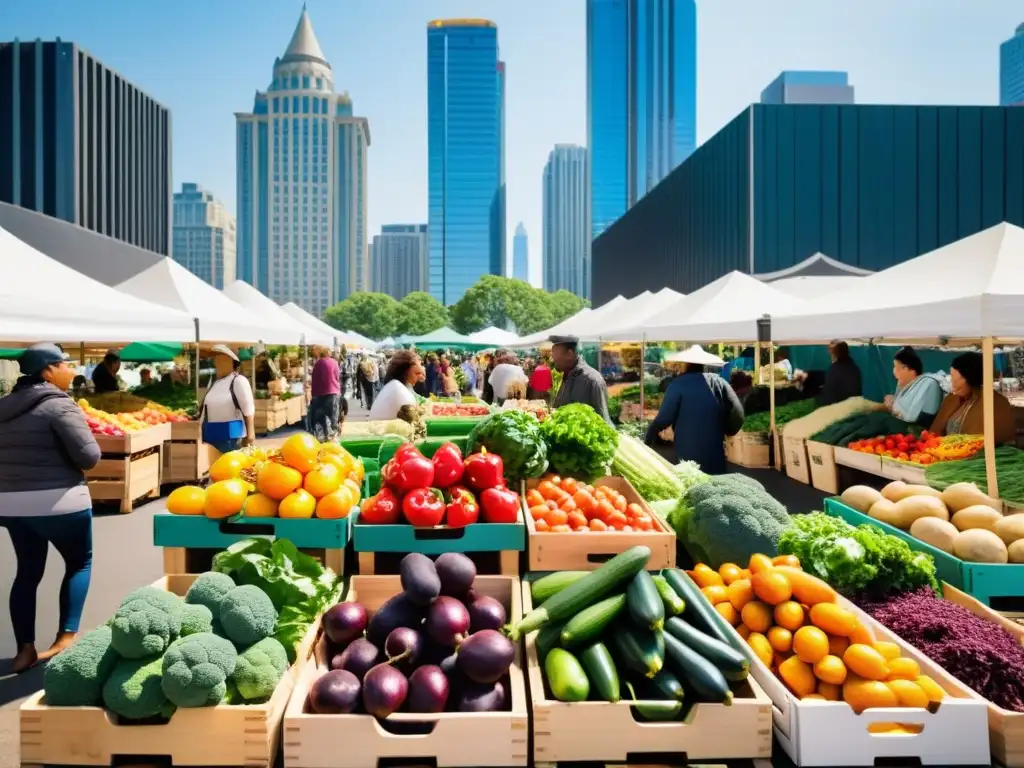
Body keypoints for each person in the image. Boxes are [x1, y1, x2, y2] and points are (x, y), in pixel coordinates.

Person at [0, 343, 100, 672]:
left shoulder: (3, 407)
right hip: (61, 502)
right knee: (79, 562)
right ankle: (64, 640)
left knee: (27, 571)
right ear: (48, 371)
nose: (70, 370)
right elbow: (90, 457)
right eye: (65, 364)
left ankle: (24, 650)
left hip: (12, 505)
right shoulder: (60, 406)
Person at [645, 346, 744, 474]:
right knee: (716, 484)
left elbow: (664, 418)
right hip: (714, 447)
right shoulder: (719, 382)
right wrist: (729, 430)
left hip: (687, 448)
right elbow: (738, 413)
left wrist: (648, 438)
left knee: (692, 480)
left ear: (686, 365)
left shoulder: (677, 385)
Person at [930, 352, 1016, 444]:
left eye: (955, 378)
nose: (952, 383)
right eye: (951, 377)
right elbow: (934, 433)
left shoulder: (995, 402)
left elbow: (997, 439)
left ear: (970, 378)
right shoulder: (951, 399)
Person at [199, 345, 256, 454]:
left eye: (220, 358)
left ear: (230, 361)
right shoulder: (214, 383)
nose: (216, 362)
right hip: (211, 437)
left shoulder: (238, 380)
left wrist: (250, 435)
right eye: (216, 358)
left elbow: (248, 409)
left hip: (232, 438)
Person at [549, 335, 613, 424]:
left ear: (569, 354)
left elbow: (603, 420)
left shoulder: (592, 380)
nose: (552, 359)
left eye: (555, 355)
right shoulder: (566, 375)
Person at [885, 347, 946, 426]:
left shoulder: (930, 384)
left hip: (916, 430)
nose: (894, 370)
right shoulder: (905, 384)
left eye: (895, 366)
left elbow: (926, 419)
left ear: (905, 369)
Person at [369, 350, 425, 420]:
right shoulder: (399, 390)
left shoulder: (394, 385)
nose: (421, 377)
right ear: (405, 371)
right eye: (417, 373)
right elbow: (414, 418)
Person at [308, 346, 342, 441]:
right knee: (333, 415)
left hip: (320, 393)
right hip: (333, 392)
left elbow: (314, 379)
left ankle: (324, 435)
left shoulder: (318, 363)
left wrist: (313, 394)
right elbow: (337, 376)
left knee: (321, 415)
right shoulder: (334, 363)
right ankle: (333, 435)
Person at [816, 341, 862, 406]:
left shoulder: (834, 369)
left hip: (838, 407)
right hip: (853, 405)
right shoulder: (855, 367)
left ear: (835, 353)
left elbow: (829, 396)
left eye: (831, 352)